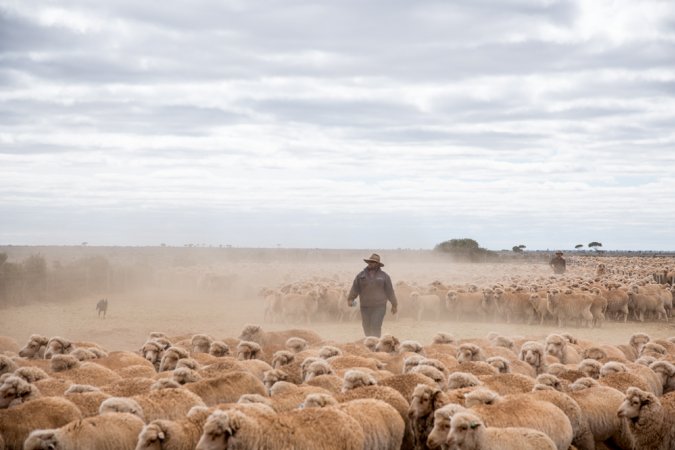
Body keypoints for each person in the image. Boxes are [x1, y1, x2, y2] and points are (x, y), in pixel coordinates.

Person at [347, 253, 398, 338]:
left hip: (379, 306)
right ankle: (370, 343)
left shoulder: (384, 276)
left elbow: (390, 291)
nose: (371, 263)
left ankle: (376, 344)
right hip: (365, 306)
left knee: (375, 325)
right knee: (366, 326)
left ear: (378, 264)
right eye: (370, 261)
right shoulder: (360, 276)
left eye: (373, 262)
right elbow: (355, 288)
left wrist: (394, 304)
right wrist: (350, 299)